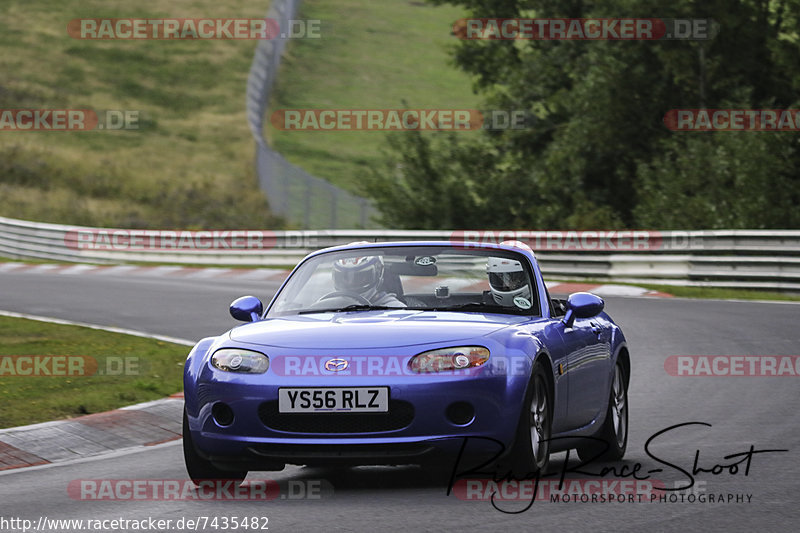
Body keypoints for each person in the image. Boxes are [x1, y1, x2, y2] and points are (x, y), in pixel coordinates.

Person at [332, 255, 406, 307]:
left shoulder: (395, 309)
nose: (350, 283)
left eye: (359, 277)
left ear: (378, 274)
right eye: (345, 277)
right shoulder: (329, 306)